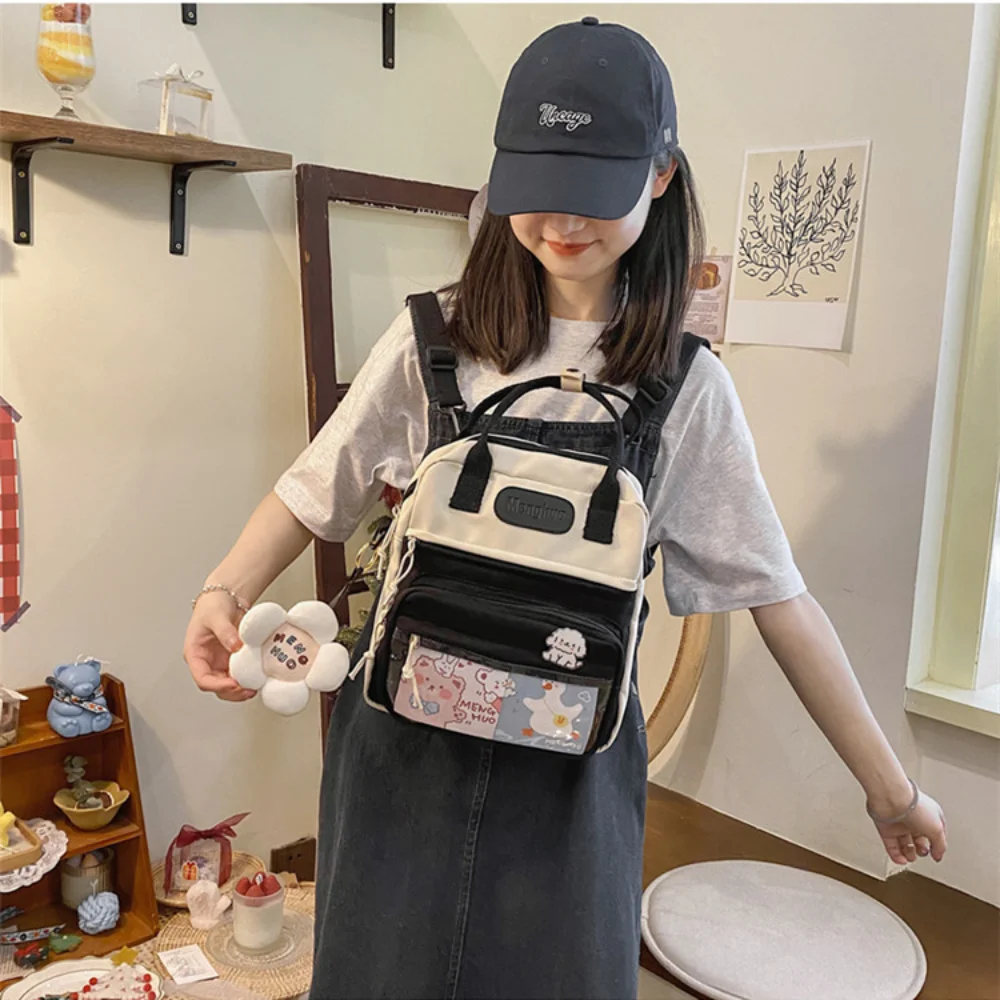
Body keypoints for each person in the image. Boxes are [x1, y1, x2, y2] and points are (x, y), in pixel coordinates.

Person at [183, 18, 948, 1000]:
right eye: (534, 189)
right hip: (401, 746)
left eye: (592, 191)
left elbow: (778, 598)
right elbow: (313, 486)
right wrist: (225, 588)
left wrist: (890, 790)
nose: (559, 223)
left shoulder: (686, 389)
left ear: (662, 175)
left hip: (570, 762)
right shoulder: (439, 336)